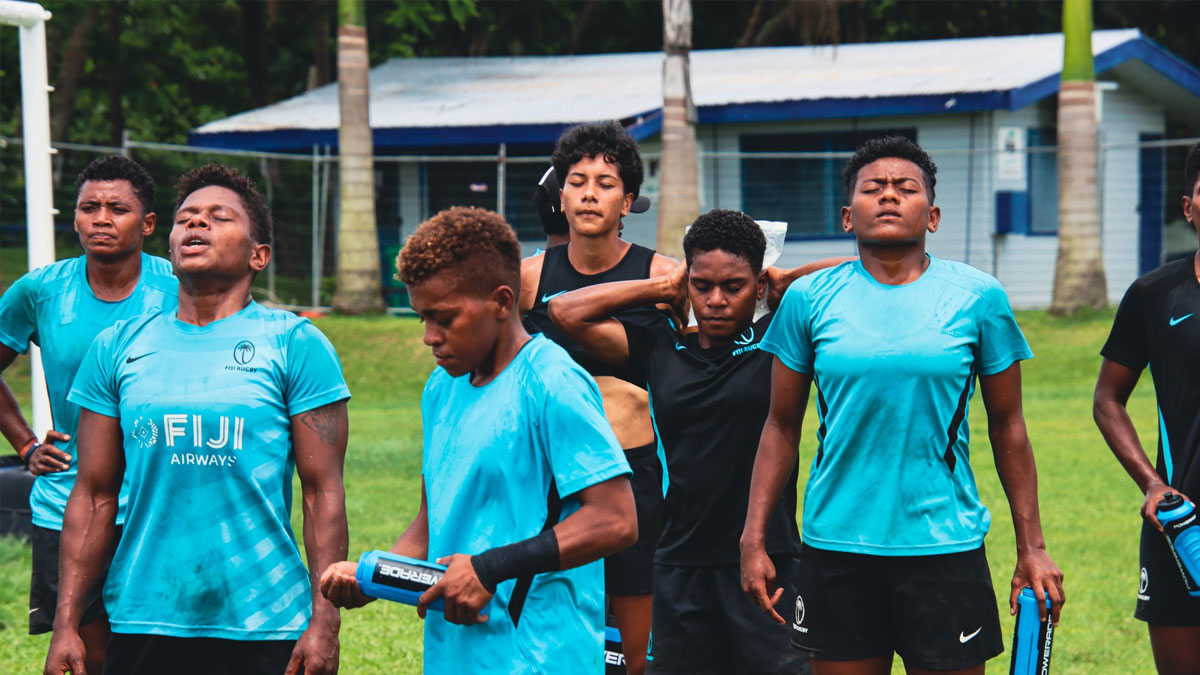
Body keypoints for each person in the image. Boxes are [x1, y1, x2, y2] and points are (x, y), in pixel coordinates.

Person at [740, 136, 1065, 675]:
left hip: (944, 543)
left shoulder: (978, 297)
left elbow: (1008, 424)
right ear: (848, 217)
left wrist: (1031, 546)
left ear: (932, 216)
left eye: (905, 188)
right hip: (836, 543)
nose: (889, 195)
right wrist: (753, 538)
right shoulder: (808, 299)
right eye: (873, 188)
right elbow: (780, 426)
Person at [43, 164, 350, 675]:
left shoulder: (295, 344)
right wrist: (66, 623)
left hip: (265, 618)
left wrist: (324, 621)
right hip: (143, 616)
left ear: (258, 255)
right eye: (186, 217)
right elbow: (94, 494)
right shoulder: (117, 346)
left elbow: (323, 492)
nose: (196, 223)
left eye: (218, 217)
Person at [319, 206, 638, 674]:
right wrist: (373, 575)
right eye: (422, 319)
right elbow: (430, 525)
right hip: (455, 655)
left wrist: (489, 568)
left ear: (502, 302)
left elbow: (616, 520)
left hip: (539, 655)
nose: (430, 337)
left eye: (444, 319)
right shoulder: (441, 388)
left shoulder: (553, 382)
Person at [549, 209, 846, 674]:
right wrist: (661, 286)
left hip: (767, 559)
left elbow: (856, 271)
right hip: (680, 563)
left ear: (758, 286)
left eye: (734, 287)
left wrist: (786, 280)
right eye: (702, 286)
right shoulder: (659, 348)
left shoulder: (778, 338)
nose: (716, 301)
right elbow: (565, 311)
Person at [0, 155, 177, 674]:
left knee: (159, 652)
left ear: (147, 223)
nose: (101, 218)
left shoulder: (180, 287)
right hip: (69, 503)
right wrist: (26, 445)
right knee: (86, 655)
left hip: (161, 500)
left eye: (118, 209)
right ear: (74, 218)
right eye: (89, 207)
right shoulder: (41, 291)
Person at [521, 121, 675, 675]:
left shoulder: (663, 276)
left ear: (627, 201)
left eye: (606, 183)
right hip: (547, 477)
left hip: (633, 474)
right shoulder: (527, 279)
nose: (590, 193)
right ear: (560, 196)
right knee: (544, 631)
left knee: (640, 654)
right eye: (577, 181)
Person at [1094, 141, 1200, 675]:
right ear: (1188, 207)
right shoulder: (1154, 294)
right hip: (1183, 527)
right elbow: (1108, 399)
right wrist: (1153, 485)